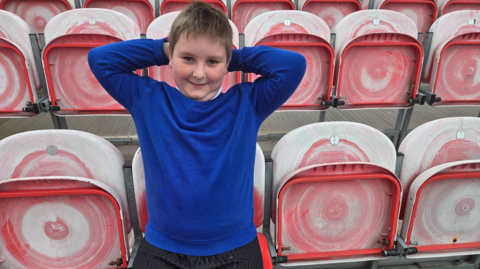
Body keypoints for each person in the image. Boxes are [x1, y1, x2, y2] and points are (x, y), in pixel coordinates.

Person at [88, 1, 306, 268]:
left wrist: (229, 56)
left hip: (235, 248)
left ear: (226, 63)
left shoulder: (248, 103)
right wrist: (167, 48)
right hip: (161, 248)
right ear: (171, 57)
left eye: (212, 61)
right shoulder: (147, 98)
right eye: (188, 58)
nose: (199, 73)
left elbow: (293, 65)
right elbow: (100, 59)